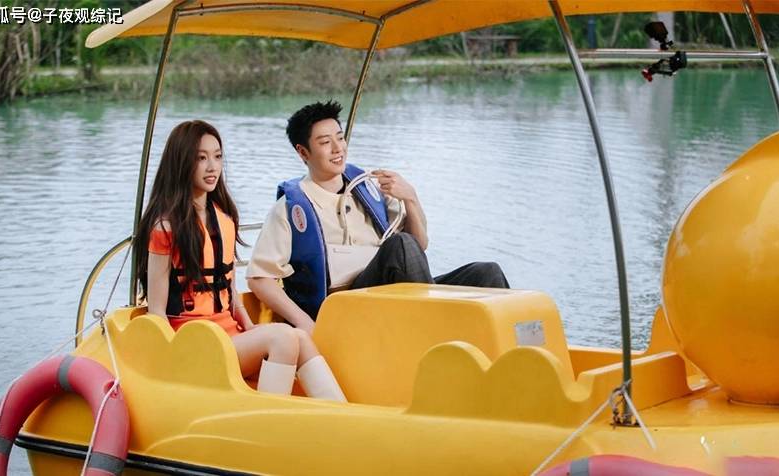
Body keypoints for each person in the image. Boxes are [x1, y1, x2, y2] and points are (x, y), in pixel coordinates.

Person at [247, 101, 509, 333]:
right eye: (325, 143)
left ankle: (507, 356)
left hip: (393, 296)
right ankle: (435, 336)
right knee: (400, 245)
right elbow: (259, 277)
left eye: (340, 138)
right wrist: (305, 322)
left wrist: (410, 198)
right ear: (303, 152)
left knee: (487, 273)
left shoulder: (368, 188)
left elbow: (419, 246)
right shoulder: (290, 209)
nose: (338, 148)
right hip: (344, 307)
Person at [135, 120, 345, 401]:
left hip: (229, 336)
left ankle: (339, 412)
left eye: (217, 156)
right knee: (283, 337)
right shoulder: (166, 228)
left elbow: (229, 290)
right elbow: (157, 311)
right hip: (193, 344)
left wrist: (249, 326)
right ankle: (268, 418)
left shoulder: (224, 218)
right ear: (182, 162)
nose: (212, 167)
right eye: (201, 158)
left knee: (301, 338)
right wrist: (169, 362)